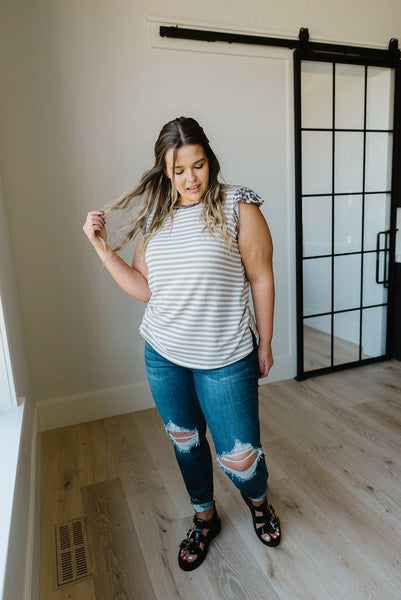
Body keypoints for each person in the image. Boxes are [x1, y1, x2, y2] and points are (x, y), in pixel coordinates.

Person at [83, 116, 281, 571]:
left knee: (242, 456)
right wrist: (101, 248)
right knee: (186, 442)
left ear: (209, 160)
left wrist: (266, 342)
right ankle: (204, 516)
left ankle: (258, 503)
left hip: (226, 358)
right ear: (164, 170)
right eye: (179, 170)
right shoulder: (156, 218)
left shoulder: (238, 206)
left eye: (199, 165)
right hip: (164, 356)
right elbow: (145, 289)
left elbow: (261, 278)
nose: (191, 179)